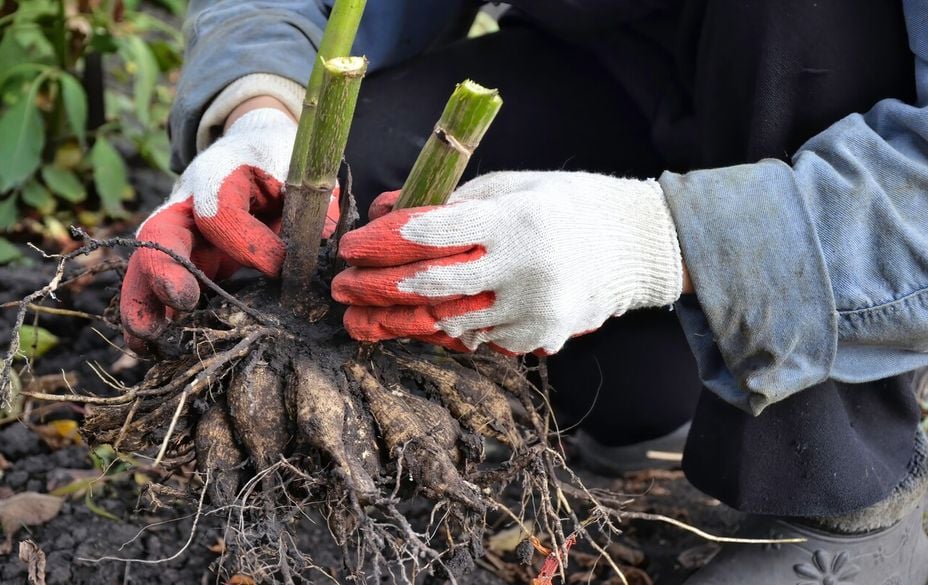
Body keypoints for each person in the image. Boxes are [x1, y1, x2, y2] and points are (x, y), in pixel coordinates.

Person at [118, 1, 928, 582]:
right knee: (346, 199)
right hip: (624, 70)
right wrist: (259, 107)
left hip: (823, 95)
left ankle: (842, 493)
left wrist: (653, 242)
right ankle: (654, 382)